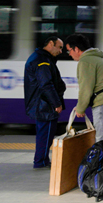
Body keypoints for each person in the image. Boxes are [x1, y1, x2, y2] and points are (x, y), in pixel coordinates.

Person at [65, 34, 103, 142]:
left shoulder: (85, 61)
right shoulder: (95, 58)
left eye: (69, 51)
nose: (69, 54)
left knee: (102, 139)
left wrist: (81, 108)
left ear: (76, 49)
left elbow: (86, 87)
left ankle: (102, 159)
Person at [24, 35, 66, 169]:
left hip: (42, 103)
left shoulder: (43, 58)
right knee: (46, 134)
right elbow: (46, 85)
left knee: (45, 133)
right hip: (44, 104)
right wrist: (56, 103)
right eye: (59, 47)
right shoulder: (42, 61)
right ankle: (41, 162)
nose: (60, 51)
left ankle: (42, 160)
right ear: (50, 44)